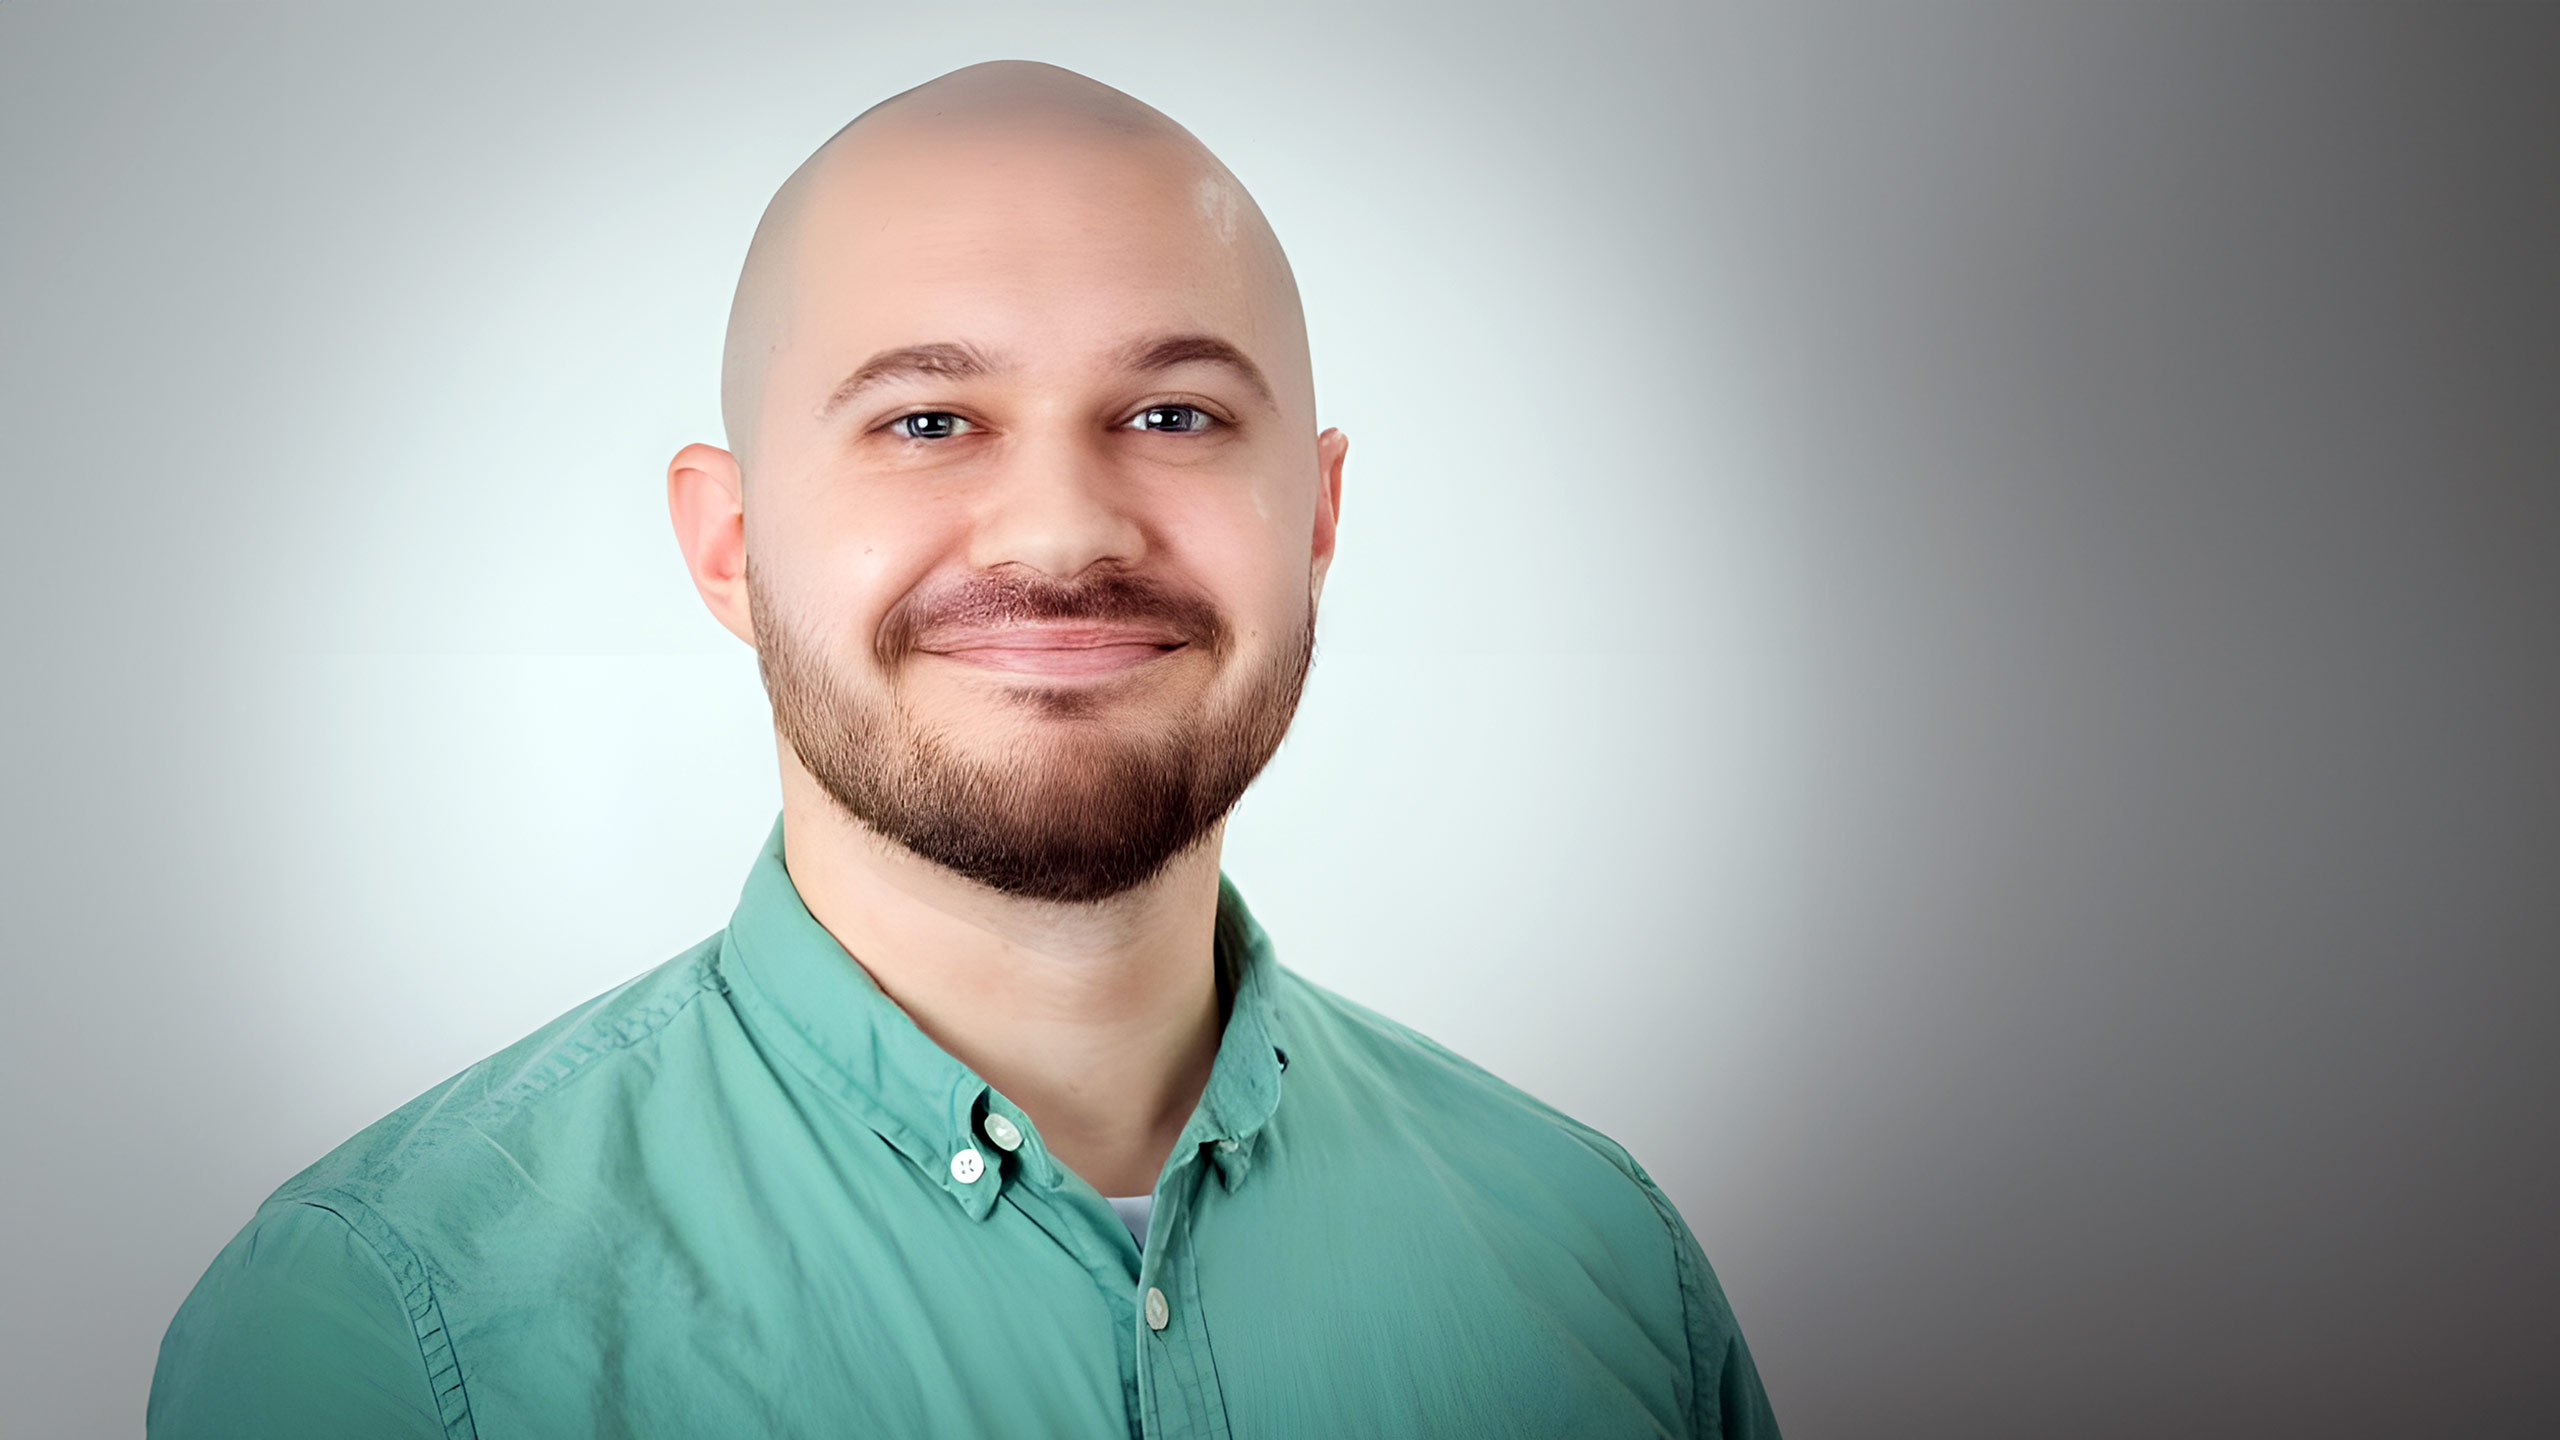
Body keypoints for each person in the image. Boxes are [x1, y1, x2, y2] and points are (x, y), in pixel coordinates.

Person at [148, 60, 1779, 1439]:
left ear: (1321, 520)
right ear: (728, 546)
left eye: (1176, 414)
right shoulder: (384, 1330)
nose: (1066, 528)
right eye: (927, 421)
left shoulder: (1603, 1260)